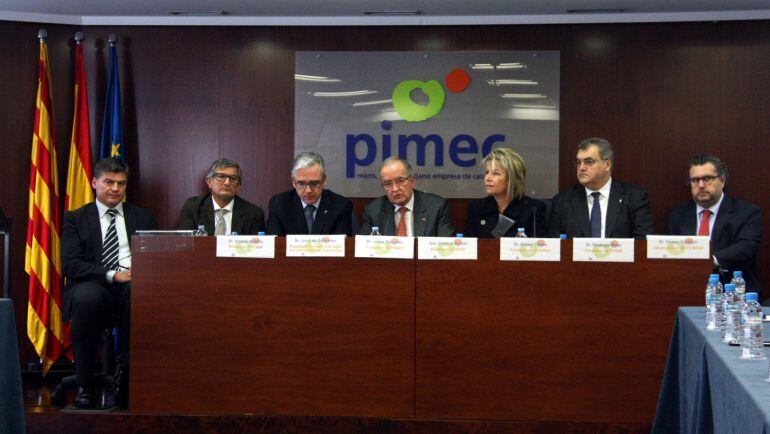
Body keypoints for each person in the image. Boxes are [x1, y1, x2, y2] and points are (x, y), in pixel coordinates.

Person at [61, 158, 157, 408]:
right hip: (92, 283)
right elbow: (71, 264)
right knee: (87, 298)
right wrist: (113, 275)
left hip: (133, 284)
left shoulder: (143, 216)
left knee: (141, 295)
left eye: (121, 184)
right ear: (95, 183)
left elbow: (157, 256)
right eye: (109, 182)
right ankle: (84, 384)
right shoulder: (76, 218)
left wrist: (141, 271)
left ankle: (126, 376)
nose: (115, 188)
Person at [664, 154, 762, 296]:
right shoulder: (676, 217)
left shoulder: (746, 212)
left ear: (722, 181)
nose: (701, 185)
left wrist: (710, 261)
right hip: (686, 292)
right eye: (695, 180)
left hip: (733, 293)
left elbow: (746, 246)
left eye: (707, 179)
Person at [547, 137, 654, 239]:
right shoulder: (562, 201)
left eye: (589, 162)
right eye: (579, 162)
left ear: (607, 165)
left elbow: (642, 243)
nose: (582, 168)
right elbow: (556, 247)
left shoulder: (634, 198)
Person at [360, 157, 454, 236]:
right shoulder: (373, 211)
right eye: (388, 183)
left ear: (412, 181)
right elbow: (363, 249)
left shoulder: (436, 207)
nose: (395, 189)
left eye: (400, 181)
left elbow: (447, 247)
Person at [266, 152, 354, 236]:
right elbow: (275, 246)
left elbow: (340, 247)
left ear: (323, 181)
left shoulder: (340, 206)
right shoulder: (279, 204)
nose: (308, 190)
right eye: (301, 183)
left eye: (314, 183)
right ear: (293, 181)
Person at [466, 148, 547, 238]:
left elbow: (539, 248)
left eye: (496, 173)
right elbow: (470, 248)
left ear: (513, 178)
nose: (488, 178)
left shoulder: (533, 209)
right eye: (487, 172)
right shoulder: (477, 208)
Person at [177, 159, 265, 235]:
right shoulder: (193, 207)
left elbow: (256, 250)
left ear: (238, 186)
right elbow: (185, 244)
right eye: (221, 176)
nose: (227, 182)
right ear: (209, 182)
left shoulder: (254, 214)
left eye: (233, 178)